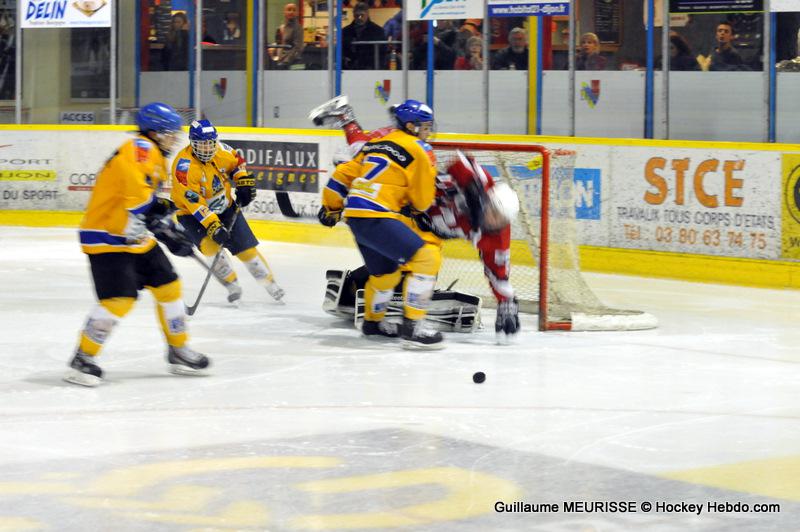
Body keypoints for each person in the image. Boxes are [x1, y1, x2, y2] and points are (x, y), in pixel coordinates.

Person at [309, 96, 521, 339]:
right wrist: (471, 189)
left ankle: (379, 312)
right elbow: (461, 162)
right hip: (403, 205)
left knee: (412, 266)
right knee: (363, 153)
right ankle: (407, 320)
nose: (494, 222)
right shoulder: (480, 183)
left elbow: (498, 272)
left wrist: (507, 302)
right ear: (487, 199)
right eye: (493, 213)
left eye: (500, 220)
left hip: (419, 225)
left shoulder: (496, 234)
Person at [66, 102, 209, 387]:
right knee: (118, 299)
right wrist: (165, 231)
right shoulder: (140, 149)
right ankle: (83, 357)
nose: (174, 139)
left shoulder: (153, 153)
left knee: (169, 286)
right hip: (106, 237)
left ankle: (178, 350)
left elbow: (150, 203)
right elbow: (139, 198)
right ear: (154, 132)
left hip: (133, 238)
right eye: (170, 134)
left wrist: (169, 227)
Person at [314, 98, 445, 348]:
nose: (428, 131)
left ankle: (373, 323)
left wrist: (331, 208)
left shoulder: (375, 143)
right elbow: (422, 201)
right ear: (411, 126)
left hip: (356, 216)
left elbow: (341, 175)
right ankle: (413, 326)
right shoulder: (421, 149)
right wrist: (411, 204)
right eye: (425, 126)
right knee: (427, 258)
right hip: (379, 215)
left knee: (386, 275)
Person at [170, 120, 285, 304]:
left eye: (210, 143)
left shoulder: (222, 151)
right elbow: (194, 203)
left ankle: (270, 284)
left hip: (226, 207)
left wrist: (242, 180)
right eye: (202, 144)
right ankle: (231, 284)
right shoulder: (184, 168)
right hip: (192, 215)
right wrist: (213, 226)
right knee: (211, 247)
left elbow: (237, 163)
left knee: (246, 250)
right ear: (192, 143)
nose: (208, 148)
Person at [342, 2, 387, 70]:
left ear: (367, 14)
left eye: (362, 15)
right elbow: (341, 51)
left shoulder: (378, 31)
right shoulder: (345, 31)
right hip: (351, 69)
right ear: (354, 15)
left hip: (371, 68)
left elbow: (382, 53)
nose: (359, 18)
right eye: (357, 15)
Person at [272, 2, 305, 68]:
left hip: (291, 64)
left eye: (294, 10)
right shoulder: (281, 28)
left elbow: (298, 47)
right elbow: (278, 45)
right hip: (279, 61)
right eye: (289, 10)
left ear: (297, 13)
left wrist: (286, 61)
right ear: (284, 12)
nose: (291, 12)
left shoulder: (298, 28)